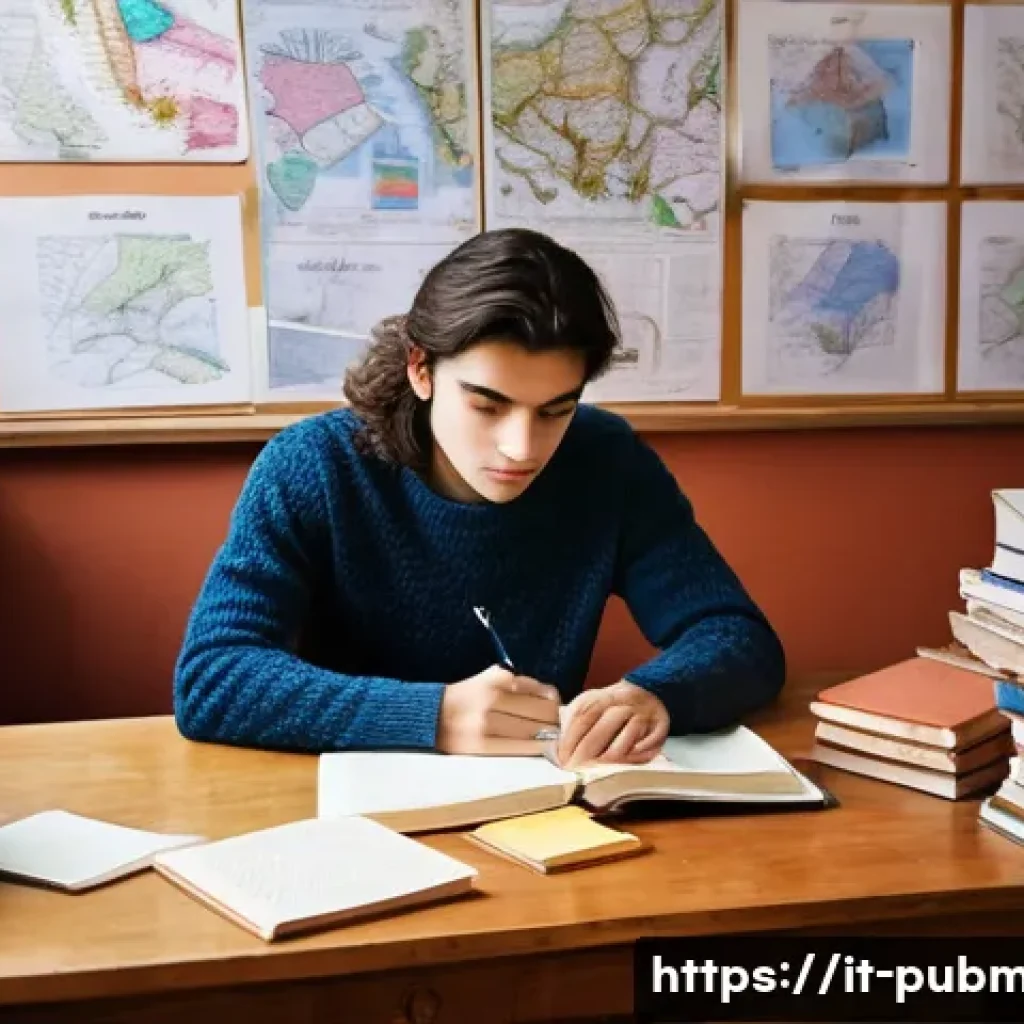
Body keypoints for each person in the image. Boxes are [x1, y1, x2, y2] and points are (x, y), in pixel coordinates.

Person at [173, 228, 786, 767]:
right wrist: (432, 715)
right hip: (347, 809)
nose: (521, 447)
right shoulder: (314, 464)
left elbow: (737, 635)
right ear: (421, 368)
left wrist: (655, 693)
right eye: (487, 405)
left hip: (539, 808)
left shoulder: (607, 460)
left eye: (555, 410)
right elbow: (213, 677)